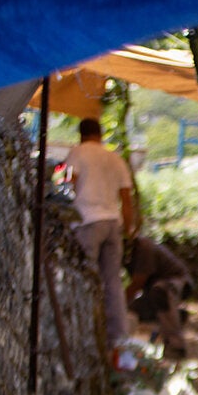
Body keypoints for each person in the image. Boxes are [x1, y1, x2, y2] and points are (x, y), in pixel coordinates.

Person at [65, 117, 135, 365]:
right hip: (113, 223)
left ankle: (86, 337)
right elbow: (126, 199)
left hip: (88, 222)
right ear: (100, 134)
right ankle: (119, 341)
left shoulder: (78, 152)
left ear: (81, 134)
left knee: (86, 278)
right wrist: (128, 229)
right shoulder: (115, 158)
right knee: (113, 282)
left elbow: (69, 186)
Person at [126, 236, 192, 360]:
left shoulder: (143, 247)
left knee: (160, 292)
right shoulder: (126, 252)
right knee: (134, 308)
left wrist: (120, 304)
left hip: (175, 283)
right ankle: (176, 316)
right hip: (152, 292)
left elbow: (138, 283)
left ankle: (176, 346)